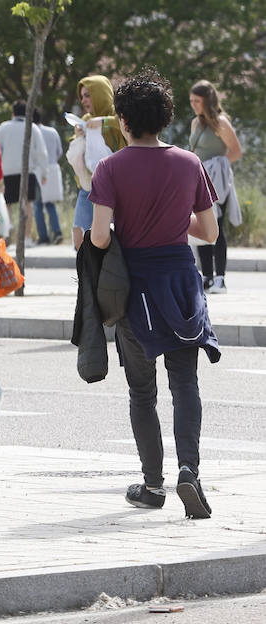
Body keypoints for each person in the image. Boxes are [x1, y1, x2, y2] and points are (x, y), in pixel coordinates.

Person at [87, 68, 219, 520]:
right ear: (165, 118)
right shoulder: (189, 163)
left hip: (135, 286)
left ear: (123, 120)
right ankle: (190, 471)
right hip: (180, 281)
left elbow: (100, 237)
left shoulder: (109, 167)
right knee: (185, 382)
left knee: (142, 392)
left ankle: (152, 485)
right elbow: (209, 230)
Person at [187, 80, 243, 294]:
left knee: (217, 227)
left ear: (207, 101)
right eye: (191, 101)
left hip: (218, 181)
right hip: (199, 180)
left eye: (197, 101)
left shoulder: (220, 122)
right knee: (201, 226)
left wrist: (217, 166)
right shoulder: (195, 123)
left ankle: (220, 278)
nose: (193, 105)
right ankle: (207, 277)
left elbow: (235, 151)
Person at [71, 75, 126, 248]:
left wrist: (103, 122)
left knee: (114, 238)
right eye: (82, 96)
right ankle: (87, 273)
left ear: (100, 93)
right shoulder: (87, 119)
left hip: (116, 187)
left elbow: (125, 124)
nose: (84, 100)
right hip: (88, 186)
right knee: (80, 235)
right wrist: (79, 133)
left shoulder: (116, 115)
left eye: (88, 95)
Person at [0, 101, 49, 245]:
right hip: (27, 172)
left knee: (7, 204)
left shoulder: (3, 127)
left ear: (12, 113)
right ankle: (27, 237)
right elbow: (41, 153)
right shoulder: (33, 128)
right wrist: (43, 172)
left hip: (7, 171)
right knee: (28, 204)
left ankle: (8, 235)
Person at [33, 109, 64, 244]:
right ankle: (57, 232)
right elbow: (59, 152)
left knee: (38, 205)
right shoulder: (52, 131)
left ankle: (43, 236)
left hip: (38, 171)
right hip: (53, 168)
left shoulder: (32, 132)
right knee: (50, 204)